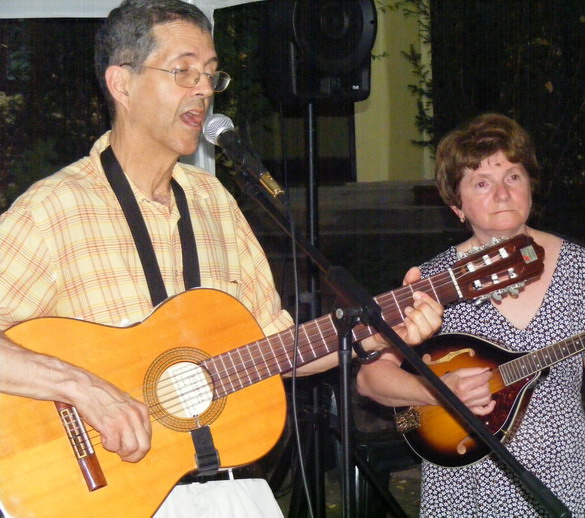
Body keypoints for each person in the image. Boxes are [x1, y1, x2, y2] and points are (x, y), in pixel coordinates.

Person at [0, 1, 442, 517]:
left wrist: (374, 332)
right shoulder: (52, 209)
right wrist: (85, 389)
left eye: (211, 74)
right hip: (104, 497)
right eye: (183, 71)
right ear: (122, 83)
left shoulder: (214, 201)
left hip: (230, 491)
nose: (204, 90)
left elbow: (274, 348)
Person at [356, 113, 585, 517]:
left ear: (530, 186)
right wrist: (439, 391)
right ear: (457, 206)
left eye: (513, 177)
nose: (502, 193)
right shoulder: (434, 280)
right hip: (462, 481)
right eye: (482, 183)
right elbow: (370, 379)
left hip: (557, 473)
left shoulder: (583, 268)